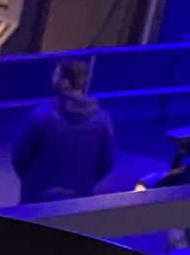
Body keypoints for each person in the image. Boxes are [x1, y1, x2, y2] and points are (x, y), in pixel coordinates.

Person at [10, 57, 117, 202]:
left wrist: (34, 184)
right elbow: (106, 163)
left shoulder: (40, 116)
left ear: (65, 82)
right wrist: (82, 184)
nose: (52, 78)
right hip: (80, 200)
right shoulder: (103, 119)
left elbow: (20, 159)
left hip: (38, 199)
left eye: (56, 74)